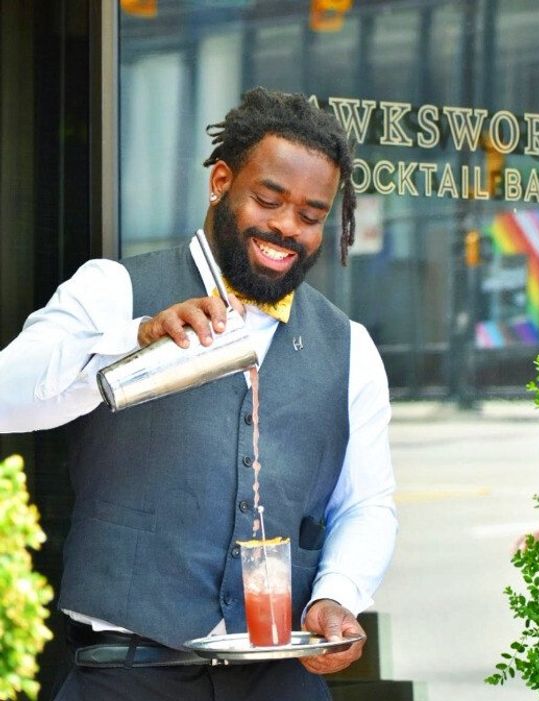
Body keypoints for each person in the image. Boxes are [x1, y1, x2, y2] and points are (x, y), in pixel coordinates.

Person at [0, 87, 397, 700]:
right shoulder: (114, 292)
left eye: (312, 216)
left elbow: (365, 504)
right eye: (269, 200)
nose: (287, 227)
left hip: (279, 681)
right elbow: (7, 397)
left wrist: (337, 594)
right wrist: (132, 337)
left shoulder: (351, 348)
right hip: (126, 676)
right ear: (220, 181)